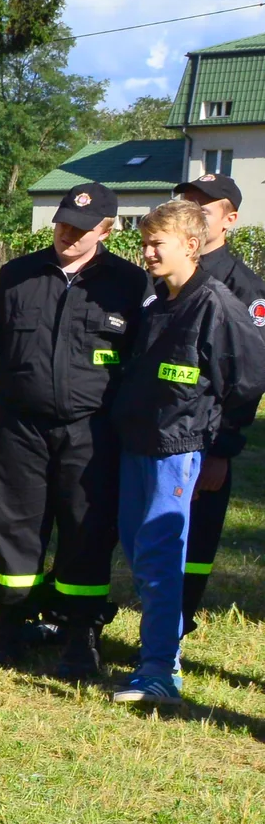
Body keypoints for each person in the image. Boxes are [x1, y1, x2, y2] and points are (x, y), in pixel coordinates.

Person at [0, 179, 147, 676]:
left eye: (81, 228)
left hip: (91, 432)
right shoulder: (17, 275)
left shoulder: (129, 284)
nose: (68, 235)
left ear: (106, 230)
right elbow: (0, 342)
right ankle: (10, 630)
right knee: (14, 528)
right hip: (20, 427)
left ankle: (79, 637)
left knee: (86, 532)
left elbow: (138, 356)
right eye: (63, 224)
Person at [109, 197, 265, 706]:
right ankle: (160, 657)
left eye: (158, 243)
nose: (147, 252)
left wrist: (218, 443)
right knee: (140, 554)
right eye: (144, 242)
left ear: (191, 245)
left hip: (176, 452)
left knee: (160, 558)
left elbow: (247, 380)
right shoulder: (156, 301)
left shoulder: (216, 304)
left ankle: (160, 671)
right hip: (137, 445)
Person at [172, 174, 263, 632]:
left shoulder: (244, 288)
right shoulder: (162, 273)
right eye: (185, 204)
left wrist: (222, 450)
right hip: (153, 432)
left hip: (204, 440)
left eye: (203, 209)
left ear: (229, 220)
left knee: (197, 536)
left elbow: (249, 379)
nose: (191, 214)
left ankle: (178, 620)